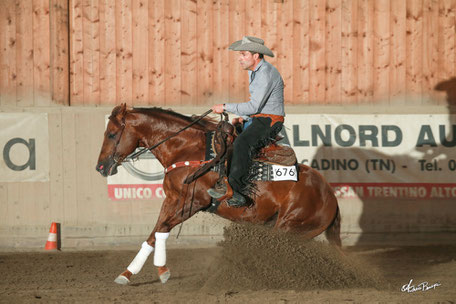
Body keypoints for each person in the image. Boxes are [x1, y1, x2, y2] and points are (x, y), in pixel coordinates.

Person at [208, 36, 285, 207]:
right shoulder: (256, 71)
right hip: (260, 118)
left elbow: (254, 105)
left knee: (242, 143)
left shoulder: (265, 73)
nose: (239, 58)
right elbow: (257, 107)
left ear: (255, 55)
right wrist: (246, 117)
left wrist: (225, 106)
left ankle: (235, 191)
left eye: (243, 54)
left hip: (269, 121)